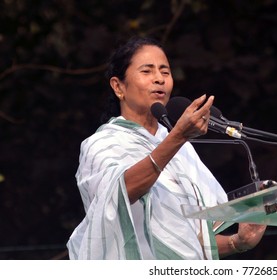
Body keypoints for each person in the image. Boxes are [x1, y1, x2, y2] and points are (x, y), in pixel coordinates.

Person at [66, 36, 266, 260]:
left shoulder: (181, 149)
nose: (159, 79)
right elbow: (120, 191)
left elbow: (186, 240)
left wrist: (237, 242)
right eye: (147, 71)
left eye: (165, 71)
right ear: (118, 86)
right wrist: (177, 137)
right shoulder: (101, 144)